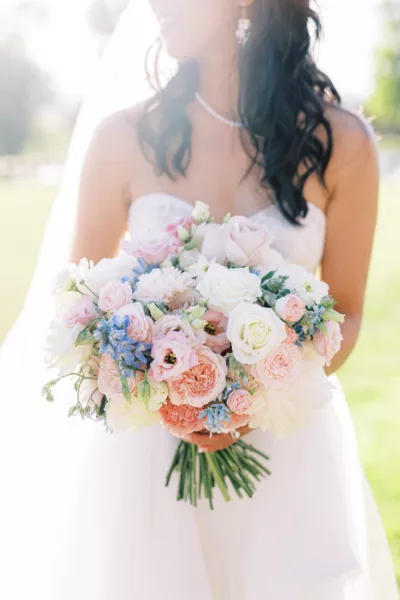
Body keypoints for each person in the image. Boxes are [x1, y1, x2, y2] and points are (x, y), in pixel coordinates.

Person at [0, 1, 397, 599]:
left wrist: (249, 391)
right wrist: (171, 393)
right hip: (143, 468)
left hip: (286, 453)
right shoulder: (122, 139)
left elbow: (347, 308)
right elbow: (80, 308)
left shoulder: (341, 143)